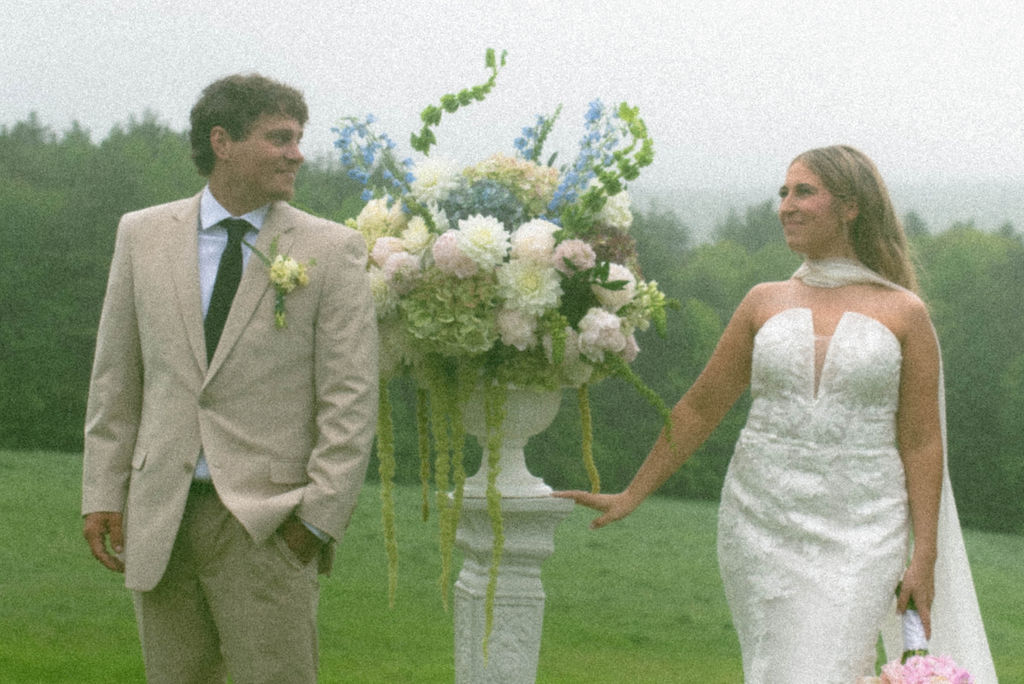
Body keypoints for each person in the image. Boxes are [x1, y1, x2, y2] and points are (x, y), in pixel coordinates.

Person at [557, 146, 997, 682]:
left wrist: (924, 554)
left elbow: (923, 441)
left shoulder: (904, 312)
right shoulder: (762, 302)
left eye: (804, 191)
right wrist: (633, 492)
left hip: (864, 528)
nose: (786, 205)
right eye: (783, 193)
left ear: (851, 206)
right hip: (761, 523)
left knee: (826, 666)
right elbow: (699, 407)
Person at [81, 73, 378, 683]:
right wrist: (104, 494)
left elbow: (351, 399)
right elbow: (117, 377)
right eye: (279, 137)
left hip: (269, 525)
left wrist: (316, 520)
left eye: (298, 138)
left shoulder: (334, 248)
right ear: (222, 141)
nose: (297, 152)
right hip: (159, 514)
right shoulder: (141, 234)